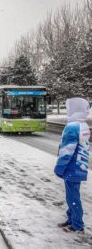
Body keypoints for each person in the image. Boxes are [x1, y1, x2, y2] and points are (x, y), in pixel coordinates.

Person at [54, 97, 90, 233]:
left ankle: (77, 224)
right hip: (81, 166)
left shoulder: (71, 127)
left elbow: (67, 150)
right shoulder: (84, 125)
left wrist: (59, 167)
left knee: (72, 197)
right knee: (73, 195)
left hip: (71, 167)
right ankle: (71, 219)